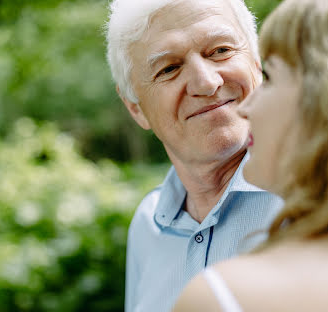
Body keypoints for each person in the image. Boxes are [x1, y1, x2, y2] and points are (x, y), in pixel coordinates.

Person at [174, 0, 328, 311]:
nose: (246, 107)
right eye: (169, 68)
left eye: (270, 77)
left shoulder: (225, 296)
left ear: (325, 100)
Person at [105, 0, 283, 311]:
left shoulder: (323, 197)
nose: (207, 82)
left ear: (257, 63)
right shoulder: (148, 226)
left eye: (220, 51)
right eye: (169, 68)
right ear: (135, 108)